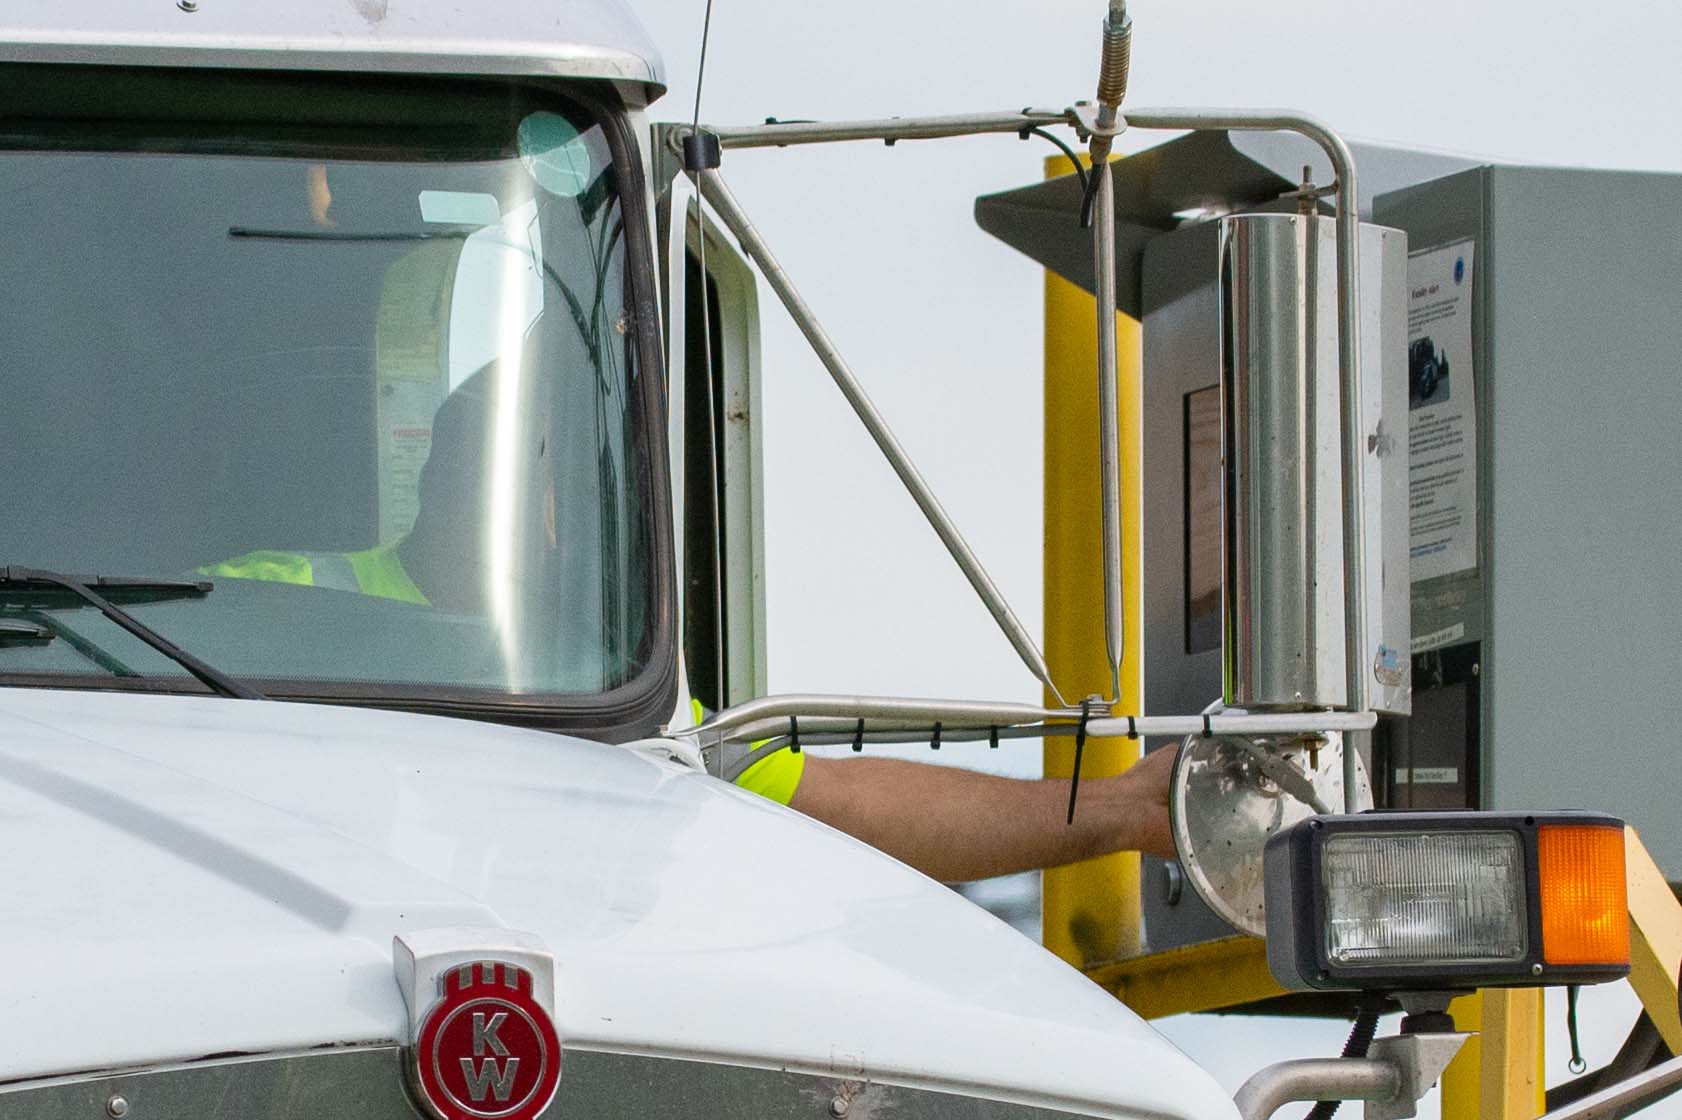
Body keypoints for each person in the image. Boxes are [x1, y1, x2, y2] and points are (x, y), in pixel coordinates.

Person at [208, 371, 1177, 882]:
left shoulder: (599, 683)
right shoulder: (269, 597)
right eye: (547, 477)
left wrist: (1120, 811)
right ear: (453, 472)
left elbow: (840, 805)